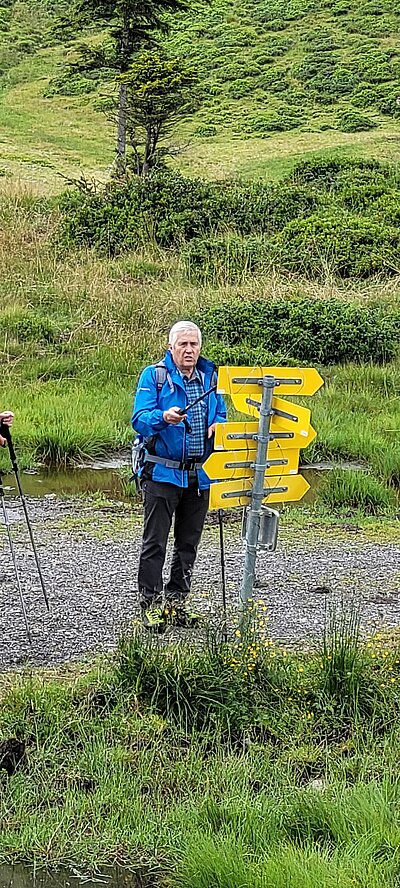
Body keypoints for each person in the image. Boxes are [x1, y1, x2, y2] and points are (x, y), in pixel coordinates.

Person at [132, 321, 227, 630]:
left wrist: (219, 426)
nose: (189, 350)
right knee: (155, 542)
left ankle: (177, 603)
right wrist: (163, 417)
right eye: (183, 345)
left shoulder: (212, 377)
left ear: (200, 348)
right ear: (171, 347)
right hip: (161, 473)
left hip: (200, 475)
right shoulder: (154, 376)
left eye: (194, 345)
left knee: (188, 543)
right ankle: (150, 604)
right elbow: (140, 420)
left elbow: (221, 412)